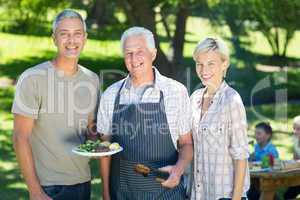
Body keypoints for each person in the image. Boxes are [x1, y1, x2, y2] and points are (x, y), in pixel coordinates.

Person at [97, 26, 193, 200]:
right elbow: (104, 150)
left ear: (153, 54)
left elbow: (187, 144)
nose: (134, 59)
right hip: (123, 193)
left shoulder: (175, 92)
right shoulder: (110, 95)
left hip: (167, 193)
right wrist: (105, 194)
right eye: (128, 53)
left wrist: (178, 171)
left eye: (140, 51)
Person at [12, 9, 99, 200]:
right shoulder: (32, 78)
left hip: (83, 182)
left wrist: (99, 141)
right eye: (64, 34)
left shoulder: (92, 80)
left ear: (85, 38)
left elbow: (90, 130)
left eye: (77, 34)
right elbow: (20, 138)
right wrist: (35, 192)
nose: (71, 40)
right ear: (54, 38)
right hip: (48, 187)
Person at [190, 37, 250, 200]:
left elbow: (241, 155)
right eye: (199, 64)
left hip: (225, 195)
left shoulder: (232, 100)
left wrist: (236, 198)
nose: (204, 70)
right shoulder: (194, 99)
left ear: (224, 64)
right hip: (199, 195)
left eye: (211, 63)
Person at [283, 116, 300, 199]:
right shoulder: (296, 140)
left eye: (298, 129)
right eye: (294, 128)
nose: (295, 131)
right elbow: (295, 158)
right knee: (287, 195)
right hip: (298, 173)